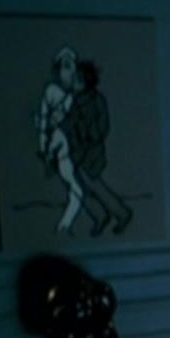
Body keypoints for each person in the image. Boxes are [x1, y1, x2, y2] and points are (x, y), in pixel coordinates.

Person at [60, 59, 133, 237]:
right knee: (79, 186)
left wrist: (87, 134)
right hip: (77, 152)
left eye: (78, 80)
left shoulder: (96, 100)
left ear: (86, 81)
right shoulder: (75, 100)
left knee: (95, 185)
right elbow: (70, 122)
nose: (74, 83)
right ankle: (100, 216)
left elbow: (102, 127)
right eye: (74, 79)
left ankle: (121, 213)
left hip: (91, 152)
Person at [34, 47, 84, 235]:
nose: (70, 71)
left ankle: (65, 225)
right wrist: (43, 145)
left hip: (75, 149)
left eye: (72, 67)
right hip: (62, 149)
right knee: (77, 190)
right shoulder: (52, 91)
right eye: (66, 66)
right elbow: (44, 118)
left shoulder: (75, 96)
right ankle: (64, 226)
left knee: (78, 190)